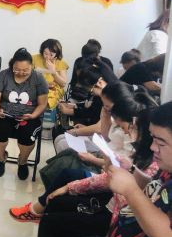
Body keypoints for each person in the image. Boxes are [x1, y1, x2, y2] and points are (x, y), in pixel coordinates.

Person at [13, 101, 158, 237]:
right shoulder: (144, 157)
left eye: (135, 128)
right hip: (112, 209)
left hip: (117, 223)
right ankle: (42, 219)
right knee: (59, 200)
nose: (130, 131)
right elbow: (110, 177)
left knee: (56, 220)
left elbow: (126, 202)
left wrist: (110, 170)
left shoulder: (152, 166)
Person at [11, 85, 155, 221]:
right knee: (67, 155)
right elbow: (107, 139)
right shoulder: (120, 120)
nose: (106, 109)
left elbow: (113, 166)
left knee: (67, 166)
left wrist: (92, 159)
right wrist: (105, 116)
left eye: (108, 107)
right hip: (107, 169)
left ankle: (41, 207)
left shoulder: (133, 135)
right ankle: (42, 205)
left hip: (107, 175)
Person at [0, 48, 49, 179]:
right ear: (12, 65)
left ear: (32, 66)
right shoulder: (4, 75)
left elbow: (42, 104)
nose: (21, 73)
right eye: (17, 69)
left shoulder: (38, 79)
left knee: (27, 136)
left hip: (30, 116)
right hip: (5, 113)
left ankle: (22, 161)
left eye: (25, 70)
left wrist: (34, 115)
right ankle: (1, 158)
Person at [32, 39, 69, 109]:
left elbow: (63, 84)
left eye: (51, 54)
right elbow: (27, 74)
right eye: (45, 53)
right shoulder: (34, 58)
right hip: (36, 86)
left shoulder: (60, 62)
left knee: (47, 97)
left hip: (53, 89)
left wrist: (53, 72)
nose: (47, 57)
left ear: (57, 54)